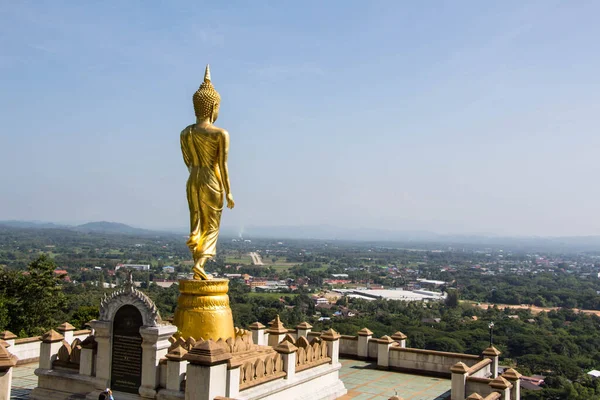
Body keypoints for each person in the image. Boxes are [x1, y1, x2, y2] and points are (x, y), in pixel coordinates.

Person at [181, 65, 234, 280]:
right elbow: (222, 165)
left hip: (193, 179)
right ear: (213, 106)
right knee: (211, 225)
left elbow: (187, 160)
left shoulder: (186, 132)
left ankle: (196, 264)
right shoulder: (220, 133)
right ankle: (201, 263)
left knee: (196, 221)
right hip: (211, 180)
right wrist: (228, 191)